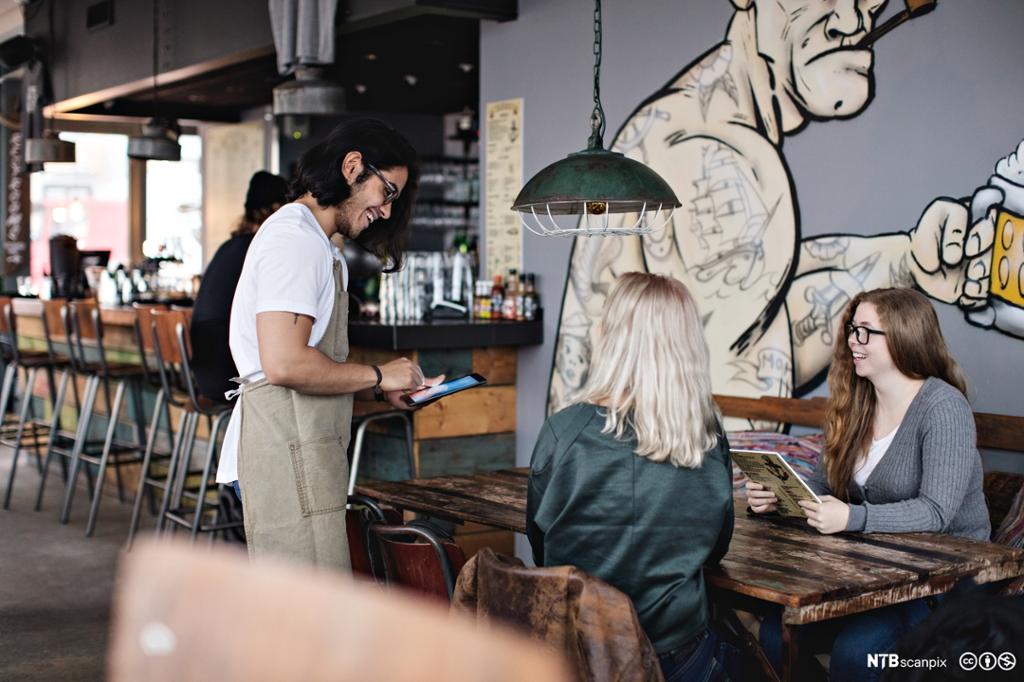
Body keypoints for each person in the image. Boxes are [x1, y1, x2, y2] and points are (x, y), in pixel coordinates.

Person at [549, 0, 1000, 415]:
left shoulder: (690, 118)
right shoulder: (718, 153)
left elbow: (771, 286)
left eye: (868, 0)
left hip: (593, 469)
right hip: (645, 482)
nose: (854, 19)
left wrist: (904, 260)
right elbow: (750, 382)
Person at [216, 118, 443, 570]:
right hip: (284, 453)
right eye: (388, 193)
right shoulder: (296, 241)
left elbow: (309, 360)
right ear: (353, 166)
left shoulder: (318, 244)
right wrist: (378, 374)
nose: (387, 211)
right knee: (302, 619)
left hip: (300, 451)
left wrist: (379, 388)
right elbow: (283, 364)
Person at [747, 287, 990, 682]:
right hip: (874, 574)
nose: (852, 342)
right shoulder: (858, 402)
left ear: (904, 336)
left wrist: (853, 517)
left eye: (865, 332)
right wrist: (782, 497)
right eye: (851, 330)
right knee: (777, 634)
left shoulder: (943, 407)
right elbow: (825, 482)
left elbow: (937, 512)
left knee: (857, 652)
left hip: (941, 582)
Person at [528, 272, 735, 682]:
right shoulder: (707, 435)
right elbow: (717, 547)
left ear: (609, 336)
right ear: (686, 346)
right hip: (679, 656)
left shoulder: (564, 431)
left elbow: (540, 546)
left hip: (578, 653)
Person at [190, 171, 289, 403]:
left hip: (206, 376)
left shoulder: (229, 246)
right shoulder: (260, 250)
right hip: (232, 380)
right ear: (277, 209)